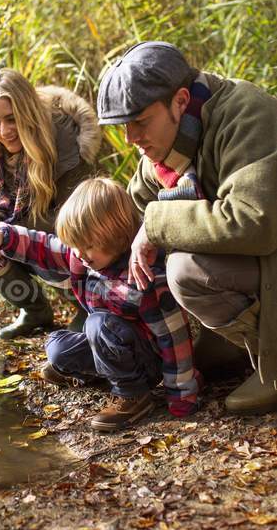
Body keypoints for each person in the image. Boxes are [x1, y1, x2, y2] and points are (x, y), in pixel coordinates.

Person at [97, 40, 277, 415]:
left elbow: (253, 223)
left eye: (140, 122)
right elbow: (140, 204)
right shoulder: (172, 144)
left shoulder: (247, 115)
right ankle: (234, 341)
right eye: (123, 126)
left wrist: (155, 224)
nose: (130, 138)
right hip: (259, 259)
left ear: (179, 100)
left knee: (184, 269)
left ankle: (272, 356)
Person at [0, 177, 202, 431]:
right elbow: (42, 245)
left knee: (98, 323)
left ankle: (133, 394)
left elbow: (174, 339)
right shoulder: (81, 255)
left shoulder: (145, 278)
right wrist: (3, 237)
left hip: (147, 359)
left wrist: (182, 395)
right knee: (57, 348)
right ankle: (107, 372)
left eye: (87, 246)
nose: (80, 254)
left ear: (116, 237)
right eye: (75, 246)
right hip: (109, 343)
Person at [0, 68, 101, 339]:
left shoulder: (64, 142)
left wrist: (10, 233)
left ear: (28, 113)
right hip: (24, 234)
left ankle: (84, 305)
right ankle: (35, 310)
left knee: (43, 239)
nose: (4, 131)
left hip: (68, 246)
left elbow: (76, 222)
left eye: (12, 119)